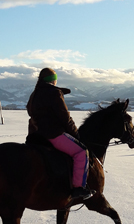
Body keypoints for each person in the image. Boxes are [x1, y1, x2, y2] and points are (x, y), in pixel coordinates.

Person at [26, 68, 94, 201]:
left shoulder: (34, 94)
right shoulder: (54, 93)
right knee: (81, 152)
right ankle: (78, 188)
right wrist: (76, 135)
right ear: (53, 80)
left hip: (36, 135)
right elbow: (65, 117)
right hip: (53, 134)